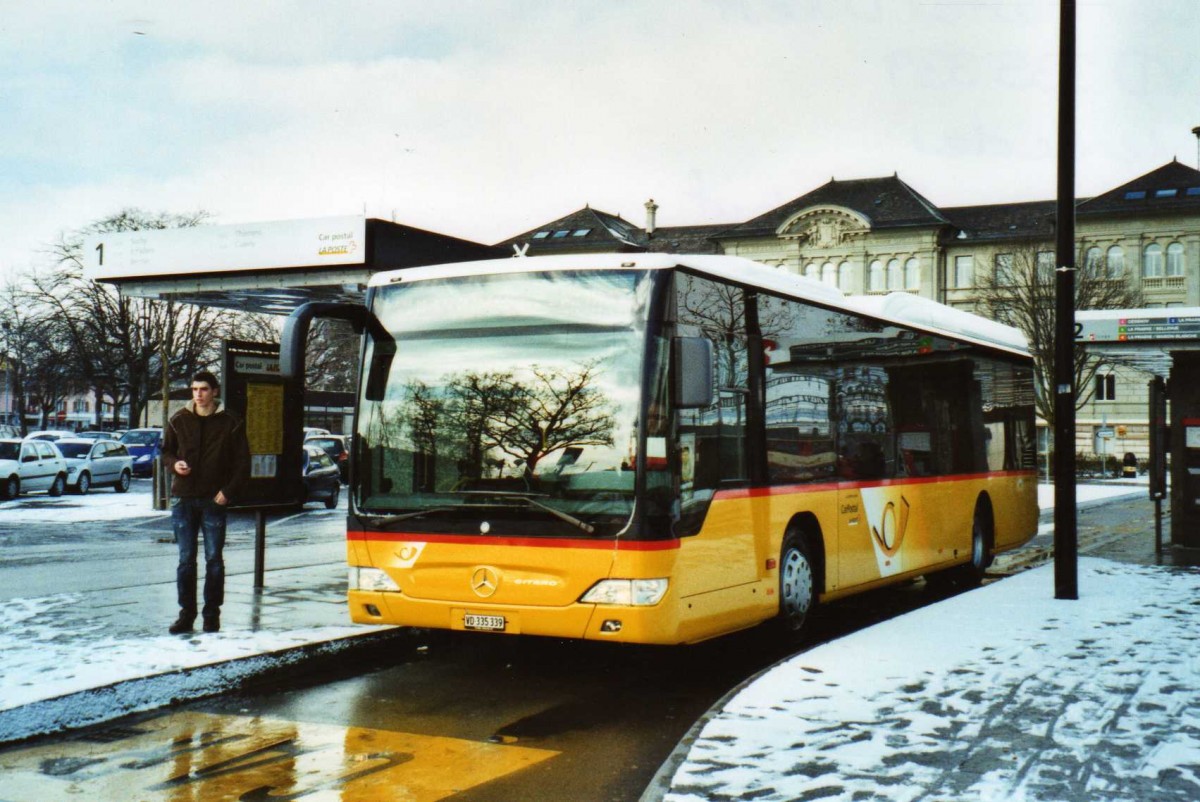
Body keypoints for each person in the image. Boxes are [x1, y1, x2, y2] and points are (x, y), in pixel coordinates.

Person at [162, 371, 250, 634]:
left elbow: (243, 461)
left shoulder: (230, 421)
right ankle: (186, 615)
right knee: (185, 560)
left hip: (214, 498)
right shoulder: (179, 419)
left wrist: (228, 491)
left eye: (203, 389)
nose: (198, 394)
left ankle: (212, 615)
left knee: (214, 559)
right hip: (184, 498)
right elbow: (166, 451)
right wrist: (174, 464)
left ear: (214, 391)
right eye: (194, 389)